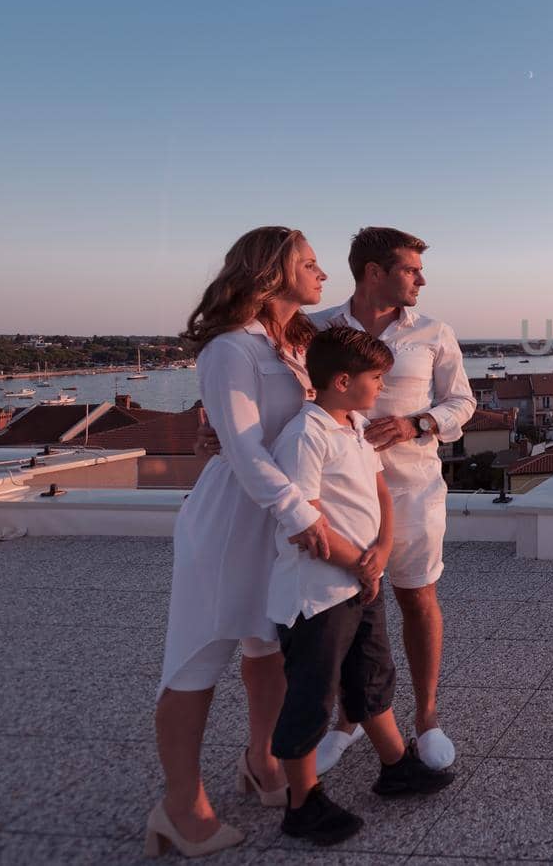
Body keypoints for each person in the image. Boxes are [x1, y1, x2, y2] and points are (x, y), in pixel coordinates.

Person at [147, 227, 331, 859]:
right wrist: (301, 517)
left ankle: (262, 762)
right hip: (236, 521)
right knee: (198, 658)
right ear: (270, 271)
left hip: (277, 522)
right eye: (309, 263)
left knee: (267, 648)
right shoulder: (230, 350)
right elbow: (245, 450)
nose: (322, 272)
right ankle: (179, 805)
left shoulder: (296, 345)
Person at [269, 327, 453, 846]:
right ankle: (301, 802)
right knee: (312, 693)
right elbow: (305, 518)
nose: (382, 387)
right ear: (343, 380)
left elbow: (381, 492)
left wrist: (381, 551)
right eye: (376, 378)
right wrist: (361, 564)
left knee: (371, 675)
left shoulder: (353, 424)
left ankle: (397, 766)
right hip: (319, 593)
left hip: (358, 581)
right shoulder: (306, 435)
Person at [311, 227, 476, 772]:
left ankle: (426, 717)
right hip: (337, 496)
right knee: (342, 610)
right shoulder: (314, 327)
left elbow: (462, 403)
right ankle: (350, 720)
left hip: (412, 490)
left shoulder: (434, 331)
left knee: (417, 598)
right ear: (374, 272)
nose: (421, 280)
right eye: (411, 269)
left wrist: (419, 422)